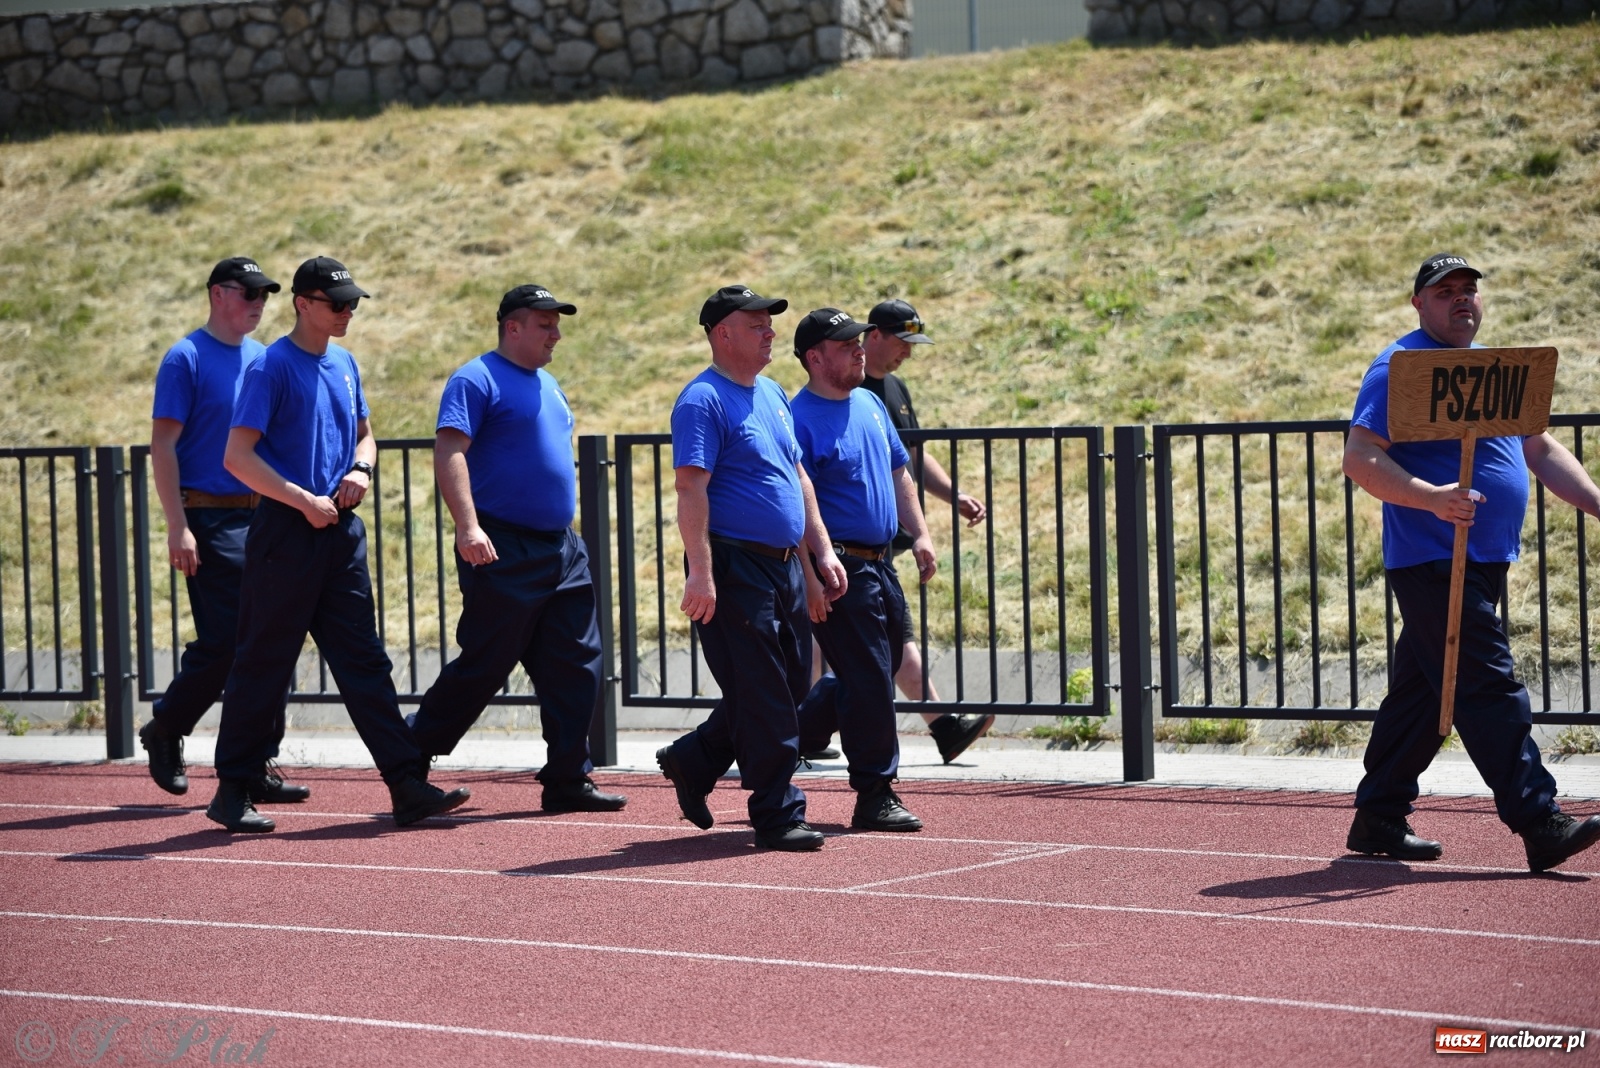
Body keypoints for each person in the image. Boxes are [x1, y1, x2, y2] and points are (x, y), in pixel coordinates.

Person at [1342, 252, 1600, 873]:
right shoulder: (1400, 369)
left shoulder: (1493, 370)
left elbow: (1536, 445)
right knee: (1487, 684)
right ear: (1419, 304)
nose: (1461, 299)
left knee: (1426, 696)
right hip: (1435, 555)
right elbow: (1361, 457)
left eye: (1469, 290)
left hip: (1483, 556)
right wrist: (1431, 499)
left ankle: (1379, 815)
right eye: (1444, 291)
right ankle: (1540, 820)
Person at [205, 256, 470, 833]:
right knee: (264, 661)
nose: (348, 311)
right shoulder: (271, 367)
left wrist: (362, 470)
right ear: (303, 303)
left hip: (340, 532)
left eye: (352, 303)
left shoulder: (346, 362)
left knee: (364, 661)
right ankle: (232, 789)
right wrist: (303, 500)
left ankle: (406, 785)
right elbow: (237, 457)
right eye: (337, 303)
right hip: (286, 532)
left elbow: (366, 436)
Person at [408, 285, 626, 814]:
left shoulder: (549, 383)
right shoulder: (475, 378)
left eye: (557, 324)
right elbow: (450, 452)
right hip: (501, 546)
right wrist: (468, 527)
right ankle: (407, 760)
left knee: (579, 664)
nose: (557, 334)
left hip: (561, 549)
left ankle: (569, 777)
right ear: (513, 327)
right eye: (546, 325)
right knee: (486, 662)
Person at [654, 285, 848, 852]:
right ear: (723, 334)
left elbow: (799, 480)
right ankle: (776, 811)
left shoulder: (771, 394)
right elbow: (691, 487)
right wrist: (701, 572)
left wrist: (820, 554)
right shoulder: (702, 400)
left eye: (770, 323)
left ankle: (696, 758)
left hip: (784, 565)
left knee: (788, 685)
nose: (770, 333)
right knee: (764, 694)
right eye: (757, 323)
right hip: (735, 564)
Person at [803, 298, 993, 765]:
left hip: (880, 551)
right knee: (864, 659)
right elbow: (800, 488)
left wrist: (938, 513)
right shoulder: (824, 401)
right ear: (875, 337)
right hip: (839, 554)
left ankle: (798, 732)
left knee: (878, 652)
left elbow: (904, 461)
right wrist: (816, 559)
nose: (907, 351)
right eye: (902, 341)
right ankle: (870, 760)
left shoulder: (882, 394)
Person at [140, 257, 286, 800]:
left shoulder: (265, 358)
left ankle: (257, 763)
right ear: (217, 294)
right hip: (208, 514)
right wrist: (178, 525)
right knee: (227, 641)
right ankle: (167, 727)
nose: (258, 302)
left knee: (274, 637)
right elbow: (164, 446)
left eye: (264, 294)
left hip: (265, 513)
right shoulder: (186, 357)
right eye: (248, 292)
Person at [790, 308, 938, 832]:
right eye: (846, 343)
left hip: (882, 564)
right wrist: (813, 570)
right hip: (840, 567)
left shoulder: (872, 404)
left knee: (874, 667)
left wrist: (918, 533)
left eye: (859, 340)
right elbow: (795, 503)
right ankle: (874, 791)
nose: (859, 349)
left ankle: (787, 737)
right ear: (815, 357)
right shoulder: (797, 417)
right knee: (872, 676)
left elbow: (899, 471)